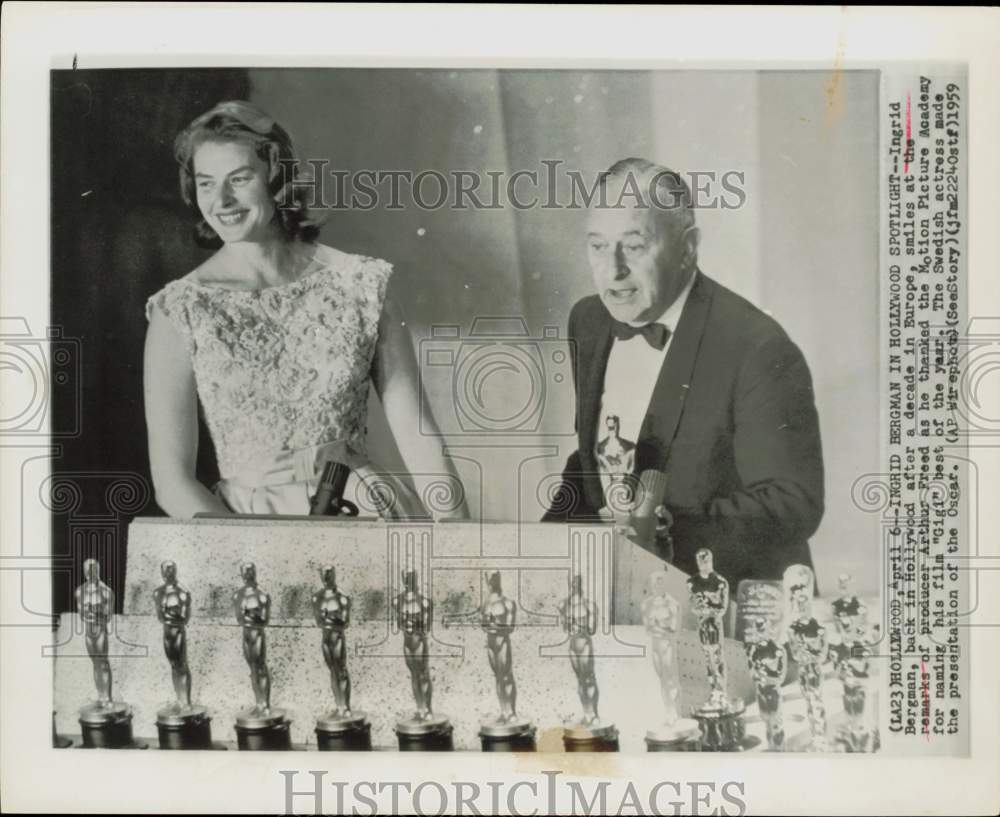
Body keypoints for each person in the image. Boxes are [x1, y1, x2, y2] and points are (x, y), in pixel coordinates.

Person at [144, 100, 468, 519]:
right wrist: (246, 563)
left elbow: (421, 442)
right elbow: (172, 484)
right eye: (206, 183)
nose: (221, 200)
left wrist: (465, 553)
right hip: (244, 530)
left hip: (362, 515)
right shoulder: (180, 309)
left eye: (239, 179)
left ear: (276, 178)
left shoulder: (361, 285)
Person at [543, 157, 824, 591]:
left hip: (728, 601)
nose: (612, 269)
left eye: (634, 246)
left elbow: (792, 503)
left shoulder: (758, 347)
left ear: (688, 247)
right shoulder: (589, 320)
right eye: (598, 246)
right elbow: (593, 462)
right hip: (621, 594)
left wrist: (667, 534)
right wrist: (538, 546)